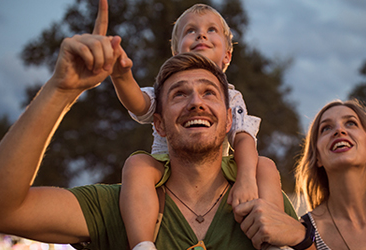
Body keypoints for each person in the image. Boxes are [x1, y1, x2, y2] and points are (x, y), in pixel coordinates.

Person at [0, 1, 298, 247]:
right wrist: (61, 90)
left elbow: (247, 144)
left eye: (209, 92)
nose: (196, 101)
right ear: (159, 122)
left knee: (264, 166)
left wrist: (299, 236)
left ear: (228, 118)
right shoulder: (118, 207)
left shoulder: (269, 207)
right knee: (137, 163)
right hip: (150, 171)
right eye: (179, 94)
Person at [104, 3, 284, 249]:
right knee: (137, 165)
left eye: (211, 30)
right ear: (175, 53)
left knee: (265, 166)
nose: (201, 34)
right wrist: (121, 76)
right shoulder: (167, 89)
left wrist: (245, 178)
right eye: (191, 30)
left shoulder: (232, 97)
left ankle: (274, 240)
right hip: (165, 165)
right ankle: (143, 244)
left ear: (227, 56)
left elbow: (243, 137)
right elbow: (138, 103)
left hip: (215, 169)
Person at [235, 99, 366, 249]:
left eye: (351, 123)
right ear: (318, 157)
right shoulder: (301, 231)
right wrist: (302, 240)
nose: (339, 130)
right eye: (326, 128)